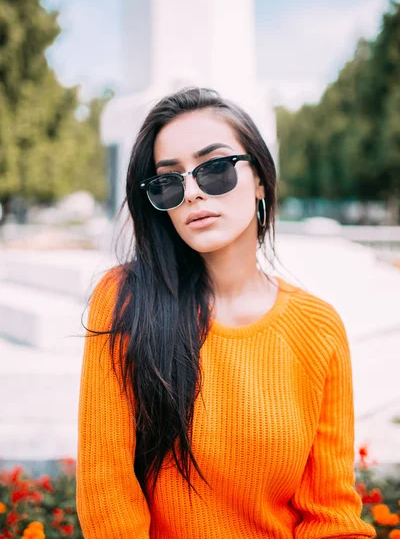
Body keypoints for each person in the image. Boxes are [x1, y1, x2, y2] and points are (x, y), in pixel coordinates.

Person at [76, 87, 376, 539]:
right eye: (169, 181)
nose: (192, 192)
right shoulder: (125, 299)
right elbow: (107, 490)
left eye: (214, 169)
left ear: (259, 177)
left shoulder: (318, 328)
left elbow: (330, 514)